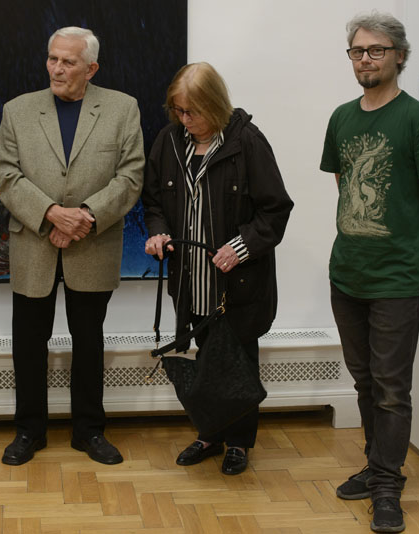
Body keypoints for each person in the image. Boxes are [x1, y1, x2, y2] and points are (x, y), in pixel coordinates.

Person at [320, 12, 419, 533]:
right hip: (346, 274)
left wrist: (405, 234)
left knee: (392, 389)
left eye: (376, 50)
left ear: (399, 55)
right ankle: (376, 465)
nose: (365, 59)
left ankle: (386, 486)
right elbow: (343, 182)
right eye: (357, 51)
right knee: (364, 383)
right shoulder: (341, 117)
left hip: (396, 280)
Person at [0, 26, 144, 466]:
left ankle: (89, 432)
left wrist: (85, 217)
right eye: (52, 58)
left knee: (89, 343)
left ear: (91, 68)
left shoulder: (122, 108)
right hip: (34, 244)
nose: (57, 68)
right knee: (28, 343)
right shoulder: (18, 111)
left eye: (68, 61)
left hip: (92, 244)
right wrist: (51, 214)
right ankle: (29, 431)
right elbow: (6, 175)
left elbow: (131, 175)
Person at [142, 62, 292, 475]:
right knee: (207, 360)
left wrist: (240, 247)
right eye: (178, 111)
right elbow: (153, 202)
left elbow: (275, 211)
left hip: (237, 284)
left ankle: (239, 443)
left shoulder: (248, 142)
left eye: (192, 112)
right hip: (191, 282)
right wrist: (158, 232)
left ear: (215, 105)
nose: (184, 120)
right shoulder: (169, 141)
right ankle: (209, 435)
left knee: (237, 363)